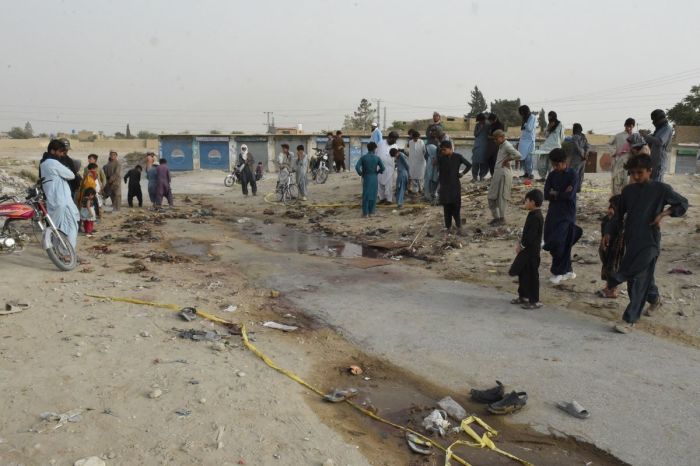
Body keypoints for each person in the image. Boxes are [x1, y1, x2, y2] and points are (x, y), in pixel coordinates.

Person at [603, 154, 688, 334]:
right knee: (643, 278)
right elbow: (618, 216)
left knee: (637, 278)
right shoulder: (628, 191)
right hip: (632, 241)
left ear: (650, 171)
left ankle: (629, 319)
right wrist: (608, 233)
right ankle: (655, 299)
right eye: (632, 173)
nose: (636, 176)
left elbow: (683, 203)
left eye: (640, 172)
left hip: (649, 242)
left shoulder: (661, 189)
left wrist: (664, 214)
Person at [543, 148, 582, 284]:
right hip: (553, 212)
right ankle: (568, 269)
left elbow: (569, 195)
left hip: (567, 214)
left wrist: (556, 193)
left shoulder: (573, 175)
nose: (555, 167)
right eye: (553, 165)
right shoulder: (552, 175)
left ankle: (558, 271)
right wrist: (559, 193)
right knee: (550, 239)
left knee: (560, 242)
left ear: (564, 162)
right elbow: (546, 194)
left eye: (557, 165)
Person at [39, 139, 80, 249]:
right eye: (61, 152)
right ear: (53, 151)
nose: (62, 155)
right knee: (71, 227)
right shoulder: (54, 163)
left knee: (56, 228)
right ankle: (67, 254)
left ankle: (59, 253)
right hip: (63, 201)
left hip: (52, 201)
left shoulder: (43, 163)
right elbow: (71, 175)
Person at [508, 189, 545, 310]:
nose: (525, 203)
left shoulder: (536, 217)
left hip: (532, 252)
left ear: (533, 202)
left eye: (527, 201)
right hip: (527, 251)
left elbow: (530, 237)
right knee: (523, 273)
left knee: (532, 275)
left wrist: (521, 246)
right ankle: (523, 296)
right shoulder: (532, 214)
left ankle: (535, 300)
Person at [487, 130, 522, 226]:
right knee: (492, 197)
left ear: (502, 137)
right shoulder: (501, 146)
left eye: (496, 138)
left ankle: (501, 219)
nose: (495, 141)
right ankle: (497, 218)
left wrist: (508, 160)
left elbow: (518, 155)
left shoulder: (507, 145)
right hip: (498, 174)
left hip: (504, 174)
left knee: (502, 197)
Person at [437, 140, 471, 235]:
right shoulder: (441, 158)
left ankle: (459, 226)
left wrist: (462, 173)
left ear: (450, 149)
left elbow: (469, 165)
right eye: (441, 150)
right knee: (446, 208)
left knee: (456, 208)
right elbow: (440, 173)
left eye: (444, 150)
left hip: (455, 185)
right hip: (444, 186)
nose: (442, 152)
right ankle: (448, 227)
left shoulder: (458, 157)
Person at [597, 195, 624, 299]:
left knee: (613, 268)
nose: (610, 207)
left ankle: (613, 290)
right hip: (609, 247)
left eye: (613, 205)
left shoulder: (621, 219)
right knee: (608, 267)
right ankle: (608, 287)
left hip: (616, 249)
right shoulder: (611, 217)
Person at [355, 142, 385, 217]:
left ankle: (365, 213)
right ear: (374, 149)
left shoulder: (363, 157)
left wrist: (361, 173)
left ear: (368, 148)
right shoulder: (377, 158)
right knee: (373, 195)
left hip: (366, 177)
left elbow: (357, 167)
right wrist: (377, 172)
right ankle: (372, 212)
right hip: (374, 177)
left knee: (366, 195)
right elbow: (383, 168)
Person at [643, 109, 673, 182]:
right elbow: (651, 141)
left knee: (657, 183)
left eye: (654, 120)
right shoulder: (659, 129)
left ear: (659, 118)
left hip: (660, 161)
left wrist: (646, 136)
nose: (653, 122)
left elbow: (659, 141)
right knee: (651, 182)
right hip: (654, 161)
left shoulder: (667, 128)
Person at [609, 118, 635, 195]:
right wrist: (614, 152)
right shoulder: (618, 136)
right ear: (625, 125)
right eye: (628, 126)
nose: (629, 128)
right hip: (619, 161)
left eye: (631, 126)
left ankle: (625, 199)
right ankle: (616, 199)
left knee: (627, 183)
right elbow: (608, 144)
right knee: (617, 181)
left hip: (631, 163)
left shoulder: (635, 137)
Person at [537, 111, 564, 181]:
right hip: (546, 147)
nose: (549, 118)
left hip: (555, 147)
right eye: (548, 116)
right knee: (542, 163)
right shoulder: (548, 125)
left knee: (551, 164)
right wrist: (549, 128)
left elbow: (562, 137)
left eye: (551, 116)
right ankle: (542, 177)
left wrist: (559, 145)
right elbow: (545, 135)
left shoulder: (560, 125)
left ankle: (552, 178)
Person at [377, 131, 399, 204]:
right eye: (394, 139)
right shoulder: (380, 143)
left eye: (396, 140)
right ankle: (382, 198)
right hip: (380, 167)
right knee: (379, 183)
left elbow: (396, 157)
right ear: (389, 138)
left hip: (390, 168)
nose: (395, 141)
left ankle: (389, 199)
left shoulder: (395, 146)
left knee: (389, 184)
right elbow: (376, 153)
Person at [517, 105, 536, 179]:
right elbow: (523, 130)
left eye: (522, 112)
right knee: (522, 158)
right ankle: (525, 173)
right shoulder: (524, 118)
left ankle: (530, 173)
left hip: (530, 140)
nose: (521, 114)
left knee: (528, 158)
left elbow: (529, 128)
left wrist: (525, 123)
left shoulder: (532, 117)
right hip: (523, 140)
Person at [570, 123, 590, 192]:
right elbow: (587, 146)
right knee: (581, 174)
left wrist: (582, 155)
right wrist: (585, 155)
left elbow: (576, 147)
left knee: (575, 174)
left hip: (577, 159)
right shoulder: (583, 136)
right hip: (583, 159)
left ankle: (574, 188)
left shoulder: (574, 137)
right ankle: (578, 188)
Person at [471, 113, 490, 182]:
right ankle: (474, 177)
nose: (480, 122)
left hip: (485, 146)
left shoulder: (488, 125)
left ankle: (482, 176)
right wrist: (480, 129)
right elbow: (475, 134)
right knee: (475, 162)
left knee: (484, 163)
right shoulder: (477, 125)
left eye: (481, 120)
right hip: (477, 145)